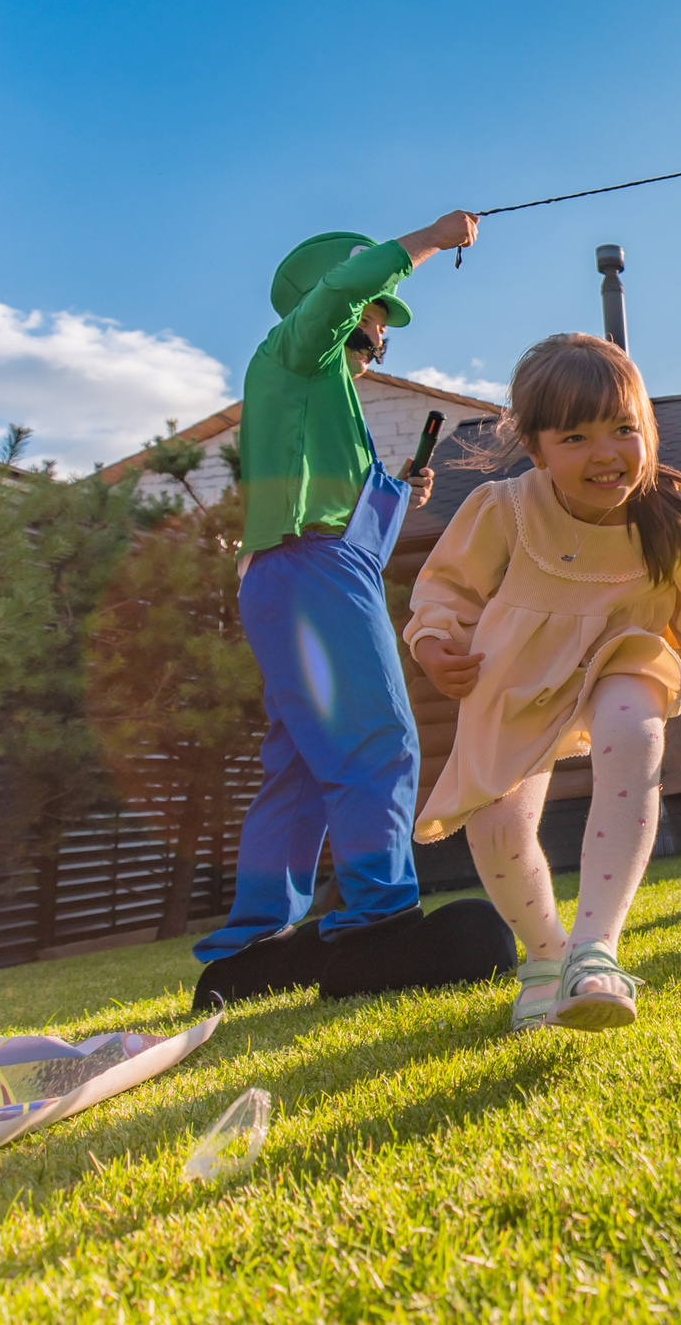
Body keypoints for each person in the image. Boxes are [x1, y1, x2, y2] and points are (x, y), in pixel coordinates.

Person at [194, 212, 517, 1011]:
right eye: (377, 316)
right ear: (338, 304)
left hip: (296, 576)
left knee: (301, 765)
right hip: (314, 571)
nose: (381, 330)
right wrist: (434, 239)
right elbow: (344, 289)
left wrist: (399, 493)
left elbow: (352, 531)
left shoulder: (319, 401)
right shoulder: (294, 352)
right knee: (381, 737)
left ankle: (250, 947)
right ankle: (380, 918)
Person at [405, 333, 681, 1034]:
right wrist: (432, 643)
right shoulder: (503, 508)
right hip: (513, 677)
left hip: (623, 658)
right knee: (499, 823)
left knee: (633, 726)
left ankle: (596, 948)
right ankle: (546, 957)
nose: (607, 453)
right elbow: (446, 589)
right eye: (576, 436)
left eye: (624, 428)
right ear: (537, 449)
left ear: (648, 427)